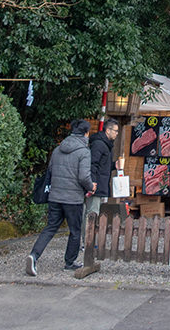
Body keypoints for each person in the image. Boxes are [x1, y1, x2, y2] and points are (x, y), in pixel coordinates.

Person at [27, 119, 94, 275]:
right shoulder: (84, 152)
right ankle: (69, 262)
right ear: (86, 133)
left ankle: (34, 255)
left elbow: (50, 170)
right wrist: (91, 186)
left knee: (50, 228)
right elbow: (84, 177)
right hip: (73, 199)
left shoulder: (58, 150)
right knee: (75, 231)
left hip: (55, 196)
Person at [84, 118, 119, 245]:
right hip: (95, 185)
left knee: (93, 212)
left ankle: (89, 240)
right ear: (108, 130)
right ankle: (88, 242)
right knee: (91, 213)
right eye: (115, 131)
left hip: (99, 183)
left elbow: (104, 166)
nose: (116, 134)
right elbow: (92, 165)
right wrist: (92, 183)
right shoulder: (99, 144)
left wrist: (115, 165)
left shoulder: (105, 144)